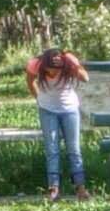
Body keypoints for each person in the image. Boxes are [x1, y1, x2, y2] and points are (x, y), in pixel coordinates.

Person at [26, 49, 90, 201]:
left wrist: (74, 65)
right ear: (44, 66)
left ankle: (80, 188)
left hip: (70, 110)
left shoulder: (68, 64)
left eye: (57, 70)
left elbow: (85, 78)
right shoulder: (35, 64)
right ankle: (53, 188)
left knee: (74, 149)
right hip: (47, 110)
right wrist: (39, 98)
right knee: (52, 148)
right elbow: (30, 81)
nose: (54, 73)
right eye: (50, 70)